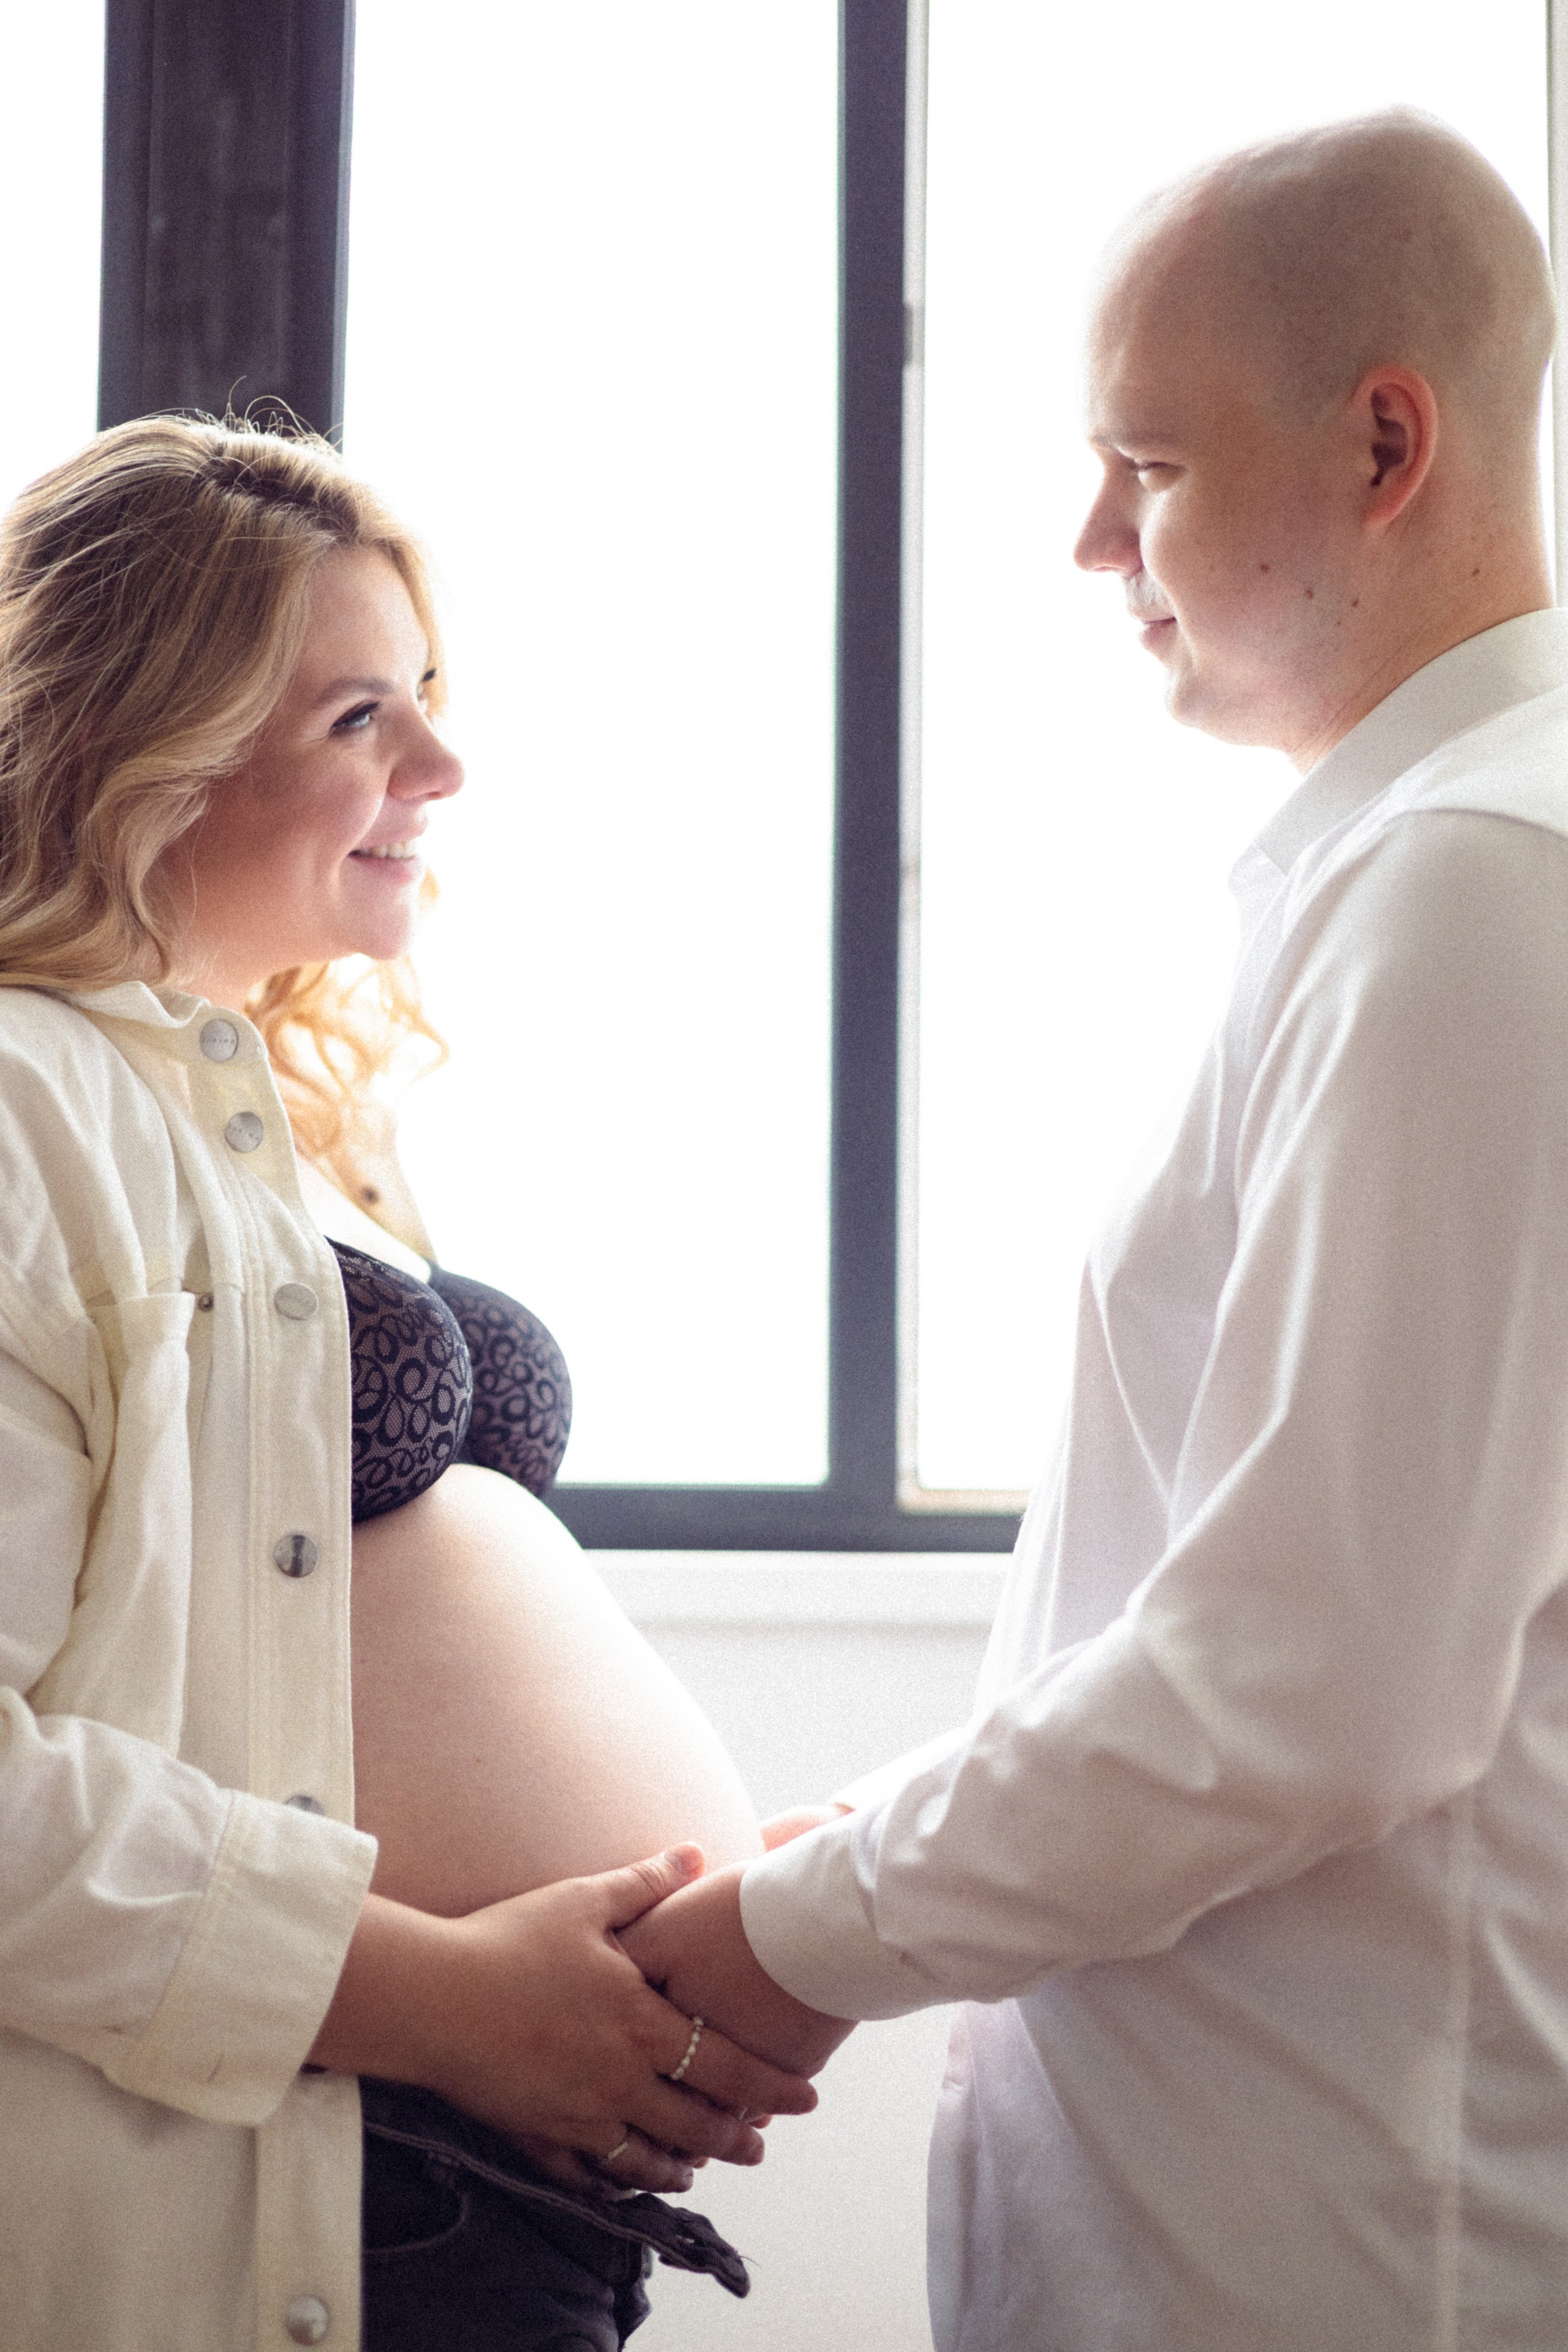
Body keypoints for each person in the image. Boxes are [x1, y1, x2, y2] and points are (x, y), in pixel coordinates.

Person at [621, 109, 1568, 2350]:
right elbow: (1216, 1597)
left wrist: (778, 1941)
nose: (1088, 542)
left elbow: (1317, 1682)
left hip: (1339, 2242)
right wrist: (828, 1861)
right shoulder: (1400, 874)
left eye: (1146, 463)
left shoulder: (1473, 888)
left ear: (1386, 444)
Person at [0, 415, 821, 2352]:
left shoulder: (263, 1122)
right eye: (362, 717)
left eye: (425, 703)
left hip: (472, 2200)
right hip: (313, 2161)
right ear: (147, 740)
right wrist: (439, 1996)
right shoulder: (25, 1107)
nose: (439, 770)